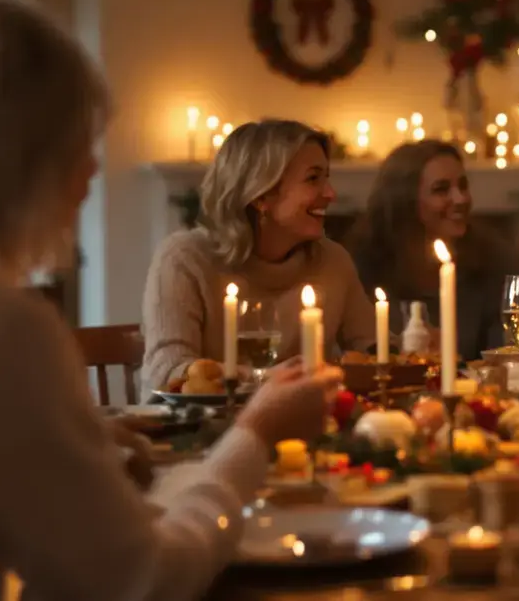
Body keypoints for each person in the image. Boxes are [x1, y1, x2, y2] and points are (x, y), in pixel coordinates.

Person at [0, 0, 343, 601]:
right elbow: (145, 580)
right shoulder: (13, 331)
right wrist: (255, 433)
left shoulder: (333, 260)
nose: (89, 177)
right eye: (77, 146)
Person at [141, 119, 376, 400]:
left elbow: (373, 350)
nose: (330, 194)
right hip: (199, 432)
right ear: (260, 194)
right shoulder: (184, 259)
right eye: (313, 179)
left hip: (303, 432)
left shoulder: (332, 261)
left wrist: (417, 343)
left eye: (327, 178)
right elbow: (168, 370)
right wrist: (265, 379)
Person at [347, 141, 519, 360]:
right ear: (405, 201)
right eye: (441, 189)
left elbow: (509, 357)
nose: (461, 199)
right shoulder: (362, 267)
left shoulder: (493, 259)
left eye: (463, 186)